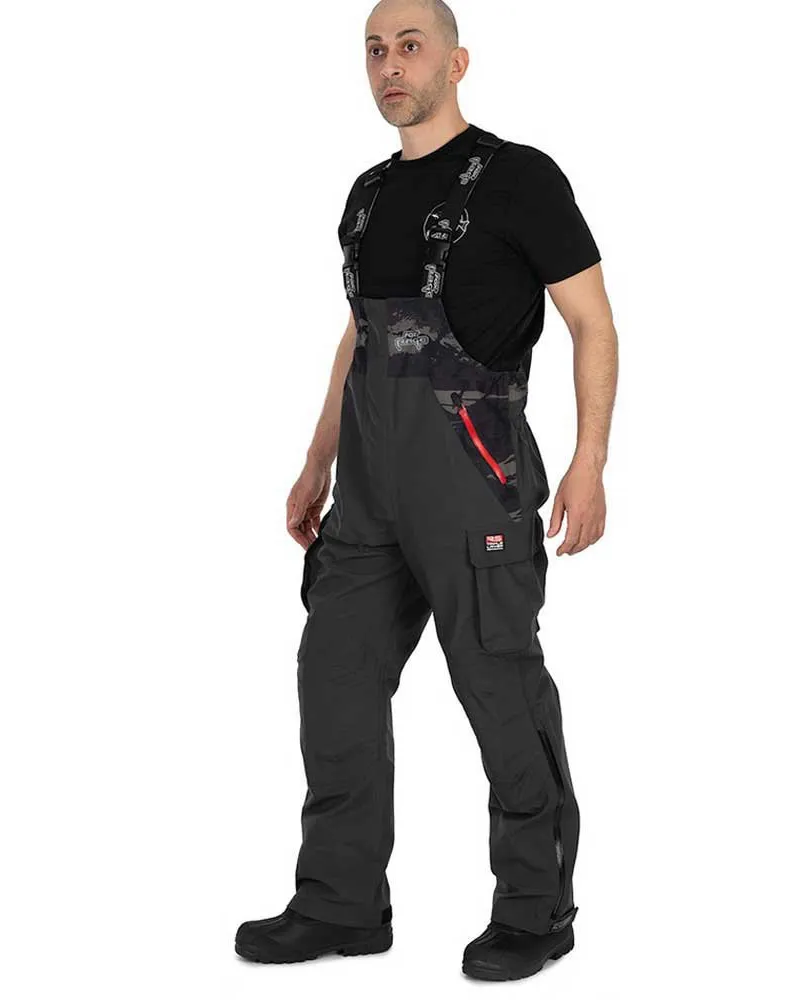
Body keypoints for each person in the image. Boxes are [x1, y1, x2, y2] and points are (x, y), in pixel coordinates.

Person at [235, 0, 618, 982]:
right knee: (333, 681)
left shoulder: (520, 178)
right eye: (374, 50)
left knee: (499, 689)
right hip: (368, 491)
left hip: (474, 484)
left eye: (409, 47)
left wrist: (589, 462)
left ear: (457, 61)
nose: (389, 66)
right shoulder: (366, 196)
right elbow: (361, 335)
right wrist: (317, 458)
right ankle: (340, 903)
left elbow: (592, 323)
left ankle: (535, 910)